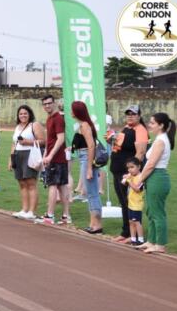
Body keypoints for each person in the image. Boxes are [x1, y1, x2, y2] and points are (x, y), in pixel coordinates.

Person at [136, 112, 175, 255]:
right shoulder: (159, 139)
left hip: (157, 177)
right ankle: (151, 241)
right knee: (151, 210)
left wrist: (139, 179)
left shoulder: (160, 141)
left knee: (157, 212)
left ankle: (160, 244)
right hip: (154, 177)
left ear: (161, 125)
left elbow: (151, 164)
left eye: (153, 123)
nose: (149, 125)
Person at [110, 105, 148, 243]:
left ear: (139, 116)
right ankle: (127, 231)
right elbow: (119, 146)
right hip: (118, 170)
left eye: (133, 114)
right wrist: (111, 140)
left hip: (127, 173)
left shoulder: (140, 130)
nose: (130, 116)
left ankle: (131, 234)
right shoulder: (126, 128)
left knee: (130, 203)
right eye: (128, 114)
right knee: (123, 202)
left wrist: (131, 174)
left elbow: (140, 153)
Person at [36, 95, 70, 224]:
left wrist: (50, 156)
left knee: (52, 185)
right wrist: (45, 155)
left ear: (54, 103)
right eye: (45, 104)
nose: (47, 106)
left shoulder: (57, 119)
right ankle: (66, 216)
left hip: (57, 158)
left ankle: (50, 215)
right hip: (54, 157)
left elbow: (61, 138)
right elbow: (50, 140)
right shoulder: (50, 119)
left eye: (49, 103)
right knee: (62, 187)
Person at [70, 101, 103, 234]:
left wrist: (89, 167)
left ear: (77, 112)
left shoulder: (84, 125)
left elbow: (91, 146)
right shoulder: (83, 125)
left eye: (72, 109)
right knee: (91, 193)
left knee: (92, 193)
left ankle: (97, 225)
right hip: (83, 157)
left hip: (86, 159)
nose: (70, 111)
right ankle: (93, 223)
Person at [9, 105, 43, 220]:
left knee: (31, 183)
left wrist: (28, 142)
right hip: (18, 155)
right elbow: (14, 143)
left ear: (30, 114)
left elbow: (43, 141)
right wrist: (11, 159)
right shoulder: (17, 127)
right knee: (22, 183)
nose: (23, 115)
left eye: (25, 113)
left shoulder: (35, 125)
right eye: (21, 114)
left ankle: (32, 211)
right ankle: (24, 209)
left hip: (30, 154)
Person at [121, 158, 145, 245]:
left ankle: (141, 239)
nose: (130, 169)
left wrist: (130, 181)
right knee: (131, 221)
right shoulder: (131, 176)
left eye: (132, 167)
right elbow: (123, 183)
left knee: (137, 222)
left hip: (137, 204)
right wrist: (125, 178)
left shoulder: (141, 177)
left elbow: (137, 189)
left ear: (139, 167)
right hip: (131, 204)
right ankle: (133, 238)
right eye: (128, 168)